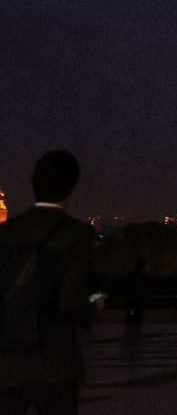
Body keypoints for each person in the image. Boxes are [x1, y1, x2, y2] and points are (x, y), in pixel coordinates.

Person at [0, 151, 99, 415]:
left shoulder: (6, 231)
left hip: (6, 363)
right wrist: (93, 306)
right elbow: (70, 302)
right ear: (71, 188)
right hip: (54, 362)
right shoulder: (77, 234)